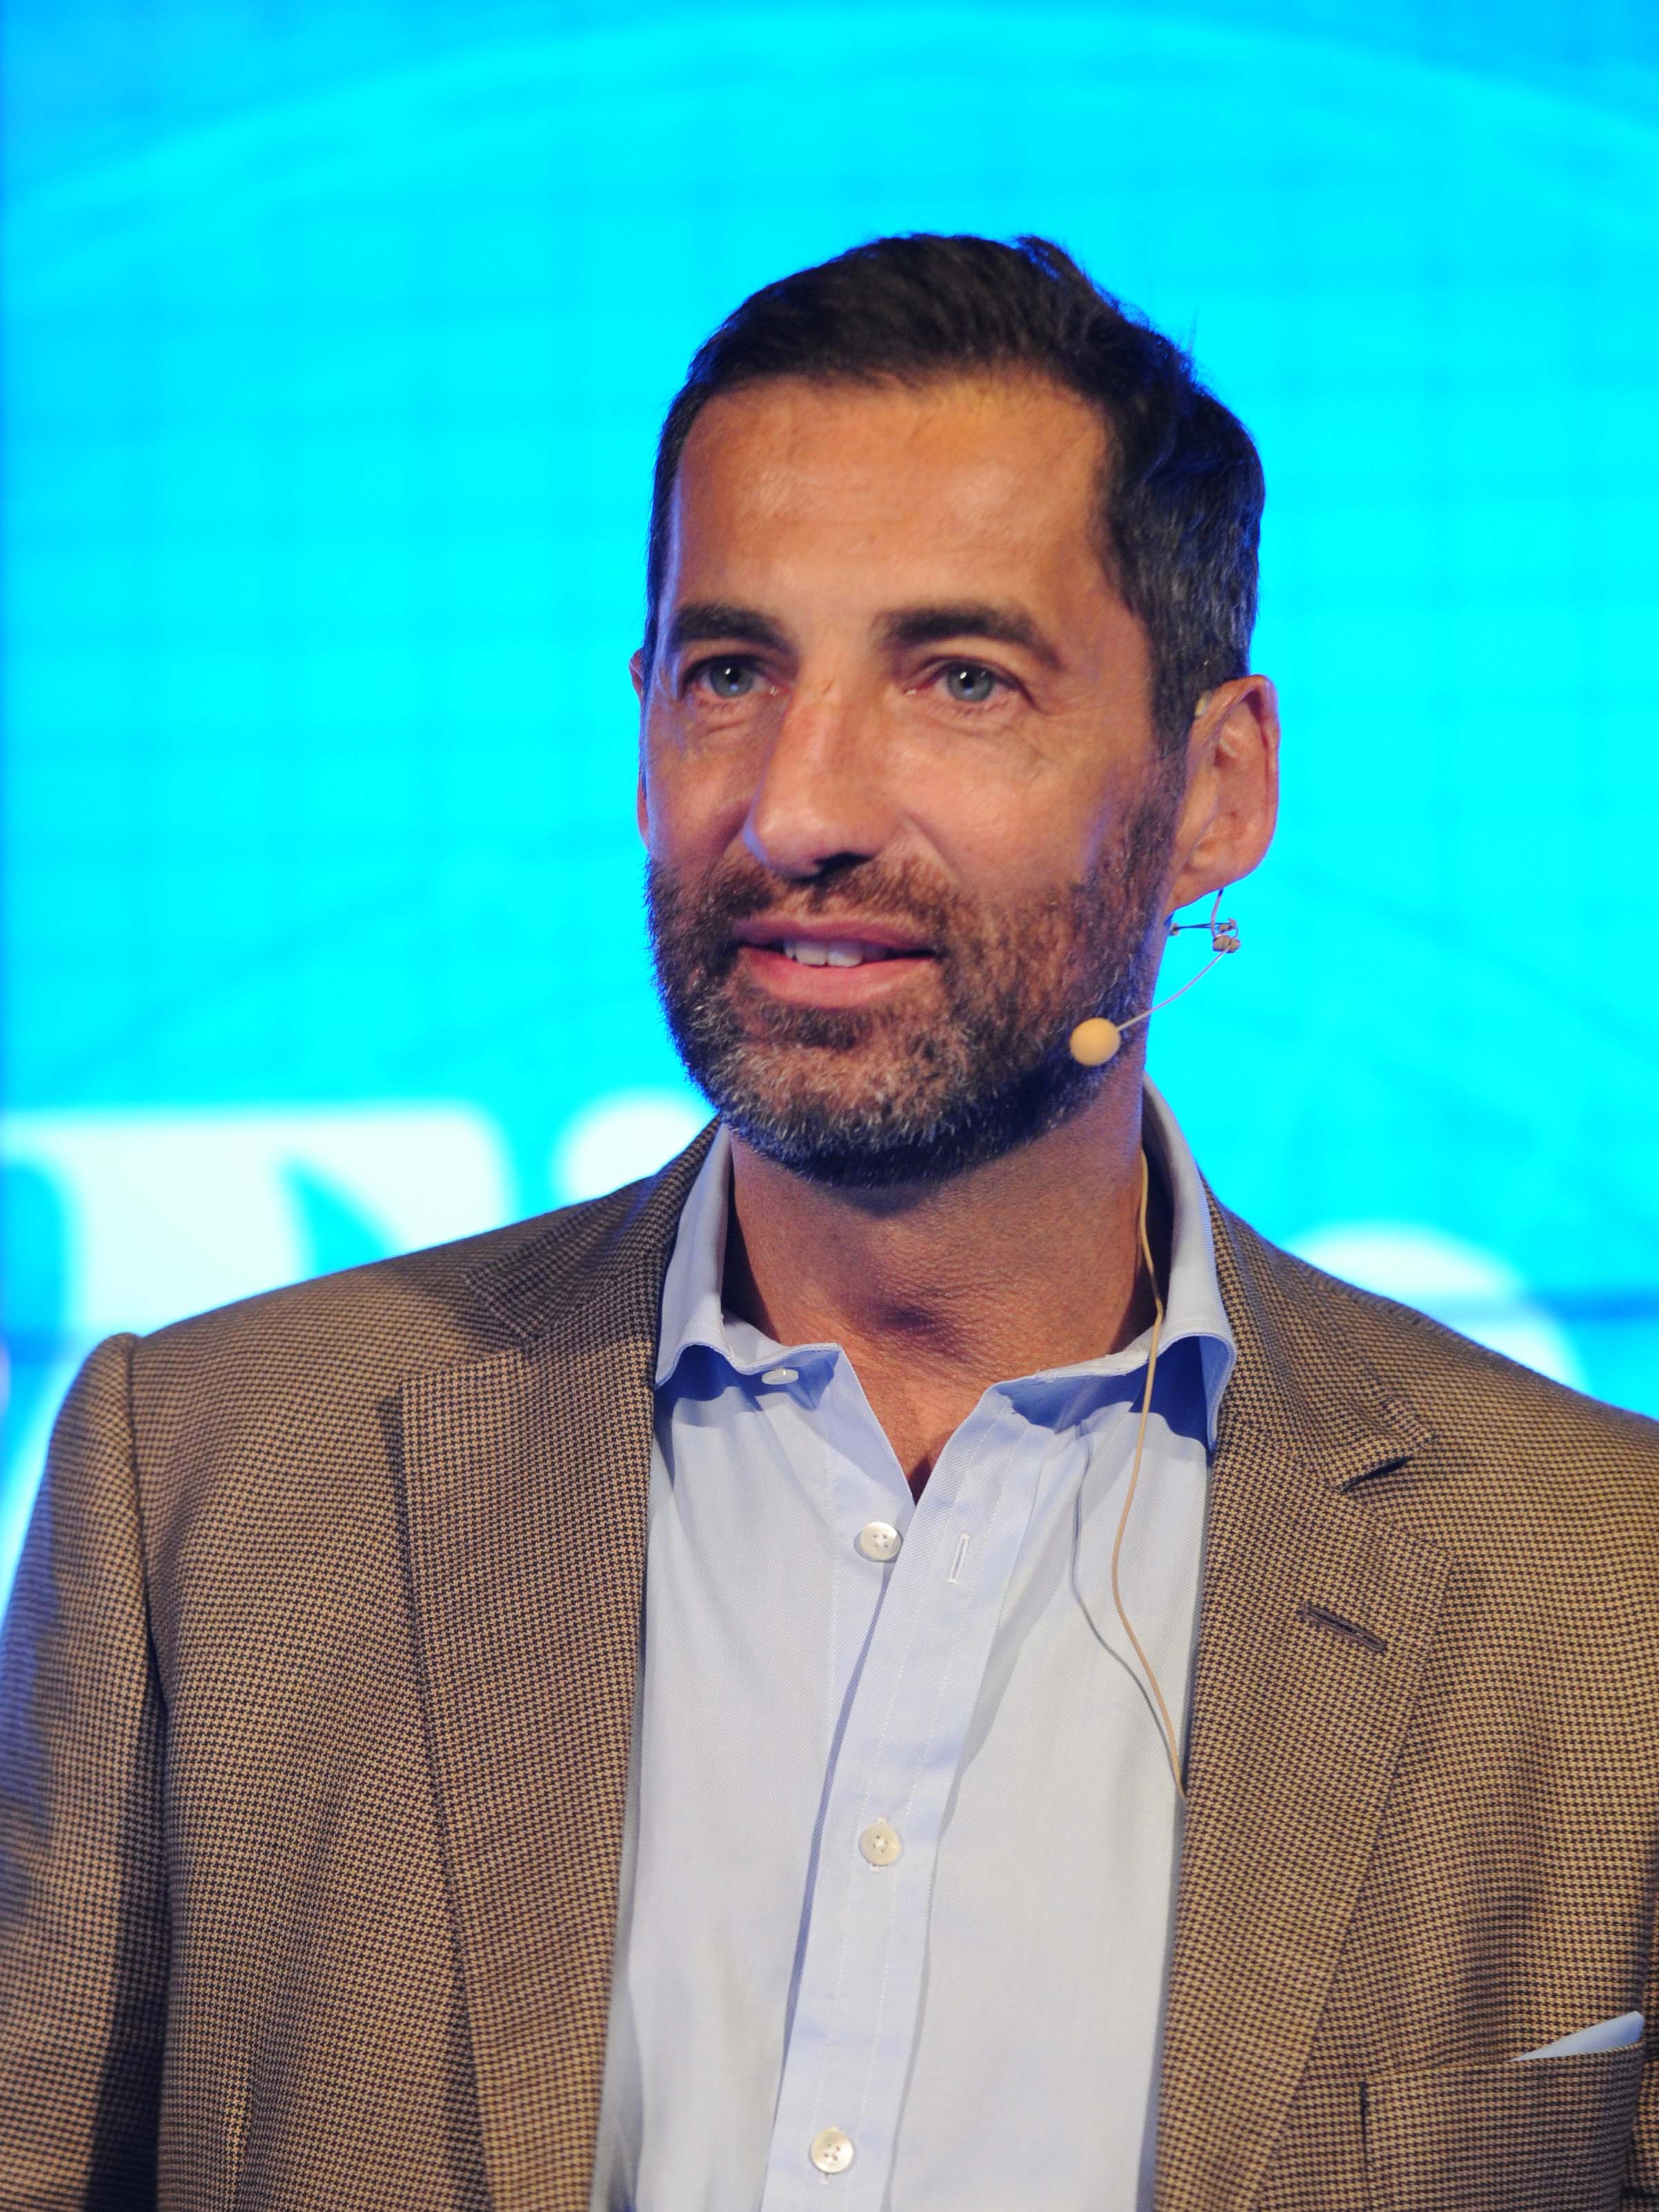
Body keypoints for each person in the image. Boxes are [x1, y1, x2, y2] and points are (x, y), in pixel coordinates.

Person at [3, 233, 1656, 2212]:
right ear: (640, 726)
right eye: (732, 674)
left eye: (960, 679)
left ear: (1214, 789)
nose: (798, 807)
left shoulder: (1606, 1595)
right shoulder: (212, 1487)